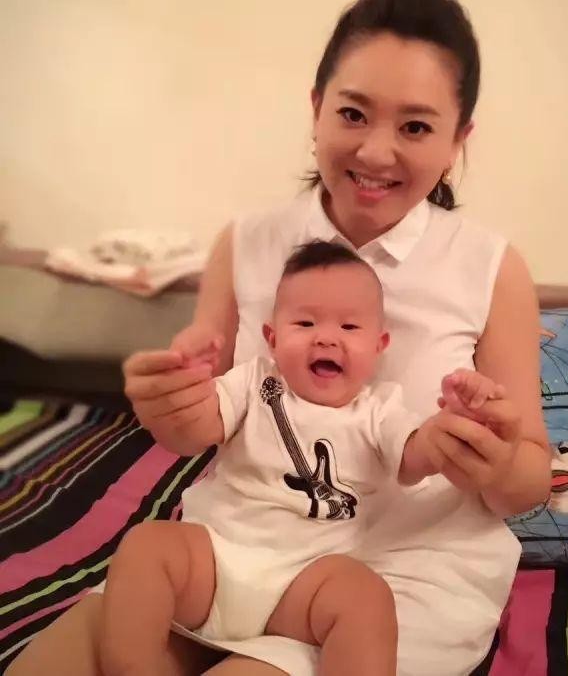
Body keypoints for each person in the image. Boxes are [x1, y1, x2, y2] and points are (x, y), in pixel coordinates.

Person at [7, 0, 550, 676]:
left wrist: (497, 463)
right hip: (237, 544)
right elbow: (203, 423)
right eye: (353, 113)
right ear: (316, 108)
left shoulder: (491, 267)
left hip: (401, 574)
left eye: (415, 127)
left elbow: (530, 478)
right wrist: (168, 405)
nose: (375, 151)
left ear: (457, 142)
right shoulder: (246, 241)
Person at [99, 240, 504, 676]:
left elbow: (414, 454)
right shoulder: (252, 382)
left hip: (302, 586)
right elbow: (201, 427)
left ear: (379, 345)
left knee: (366, 597)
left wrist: (448, 429)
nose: (326, 336)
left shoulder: (379, 409)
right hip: (214, 560)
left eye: (349, 326)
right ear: (272, 339)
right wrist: (183, 393)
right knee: (146, 545)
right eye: (305, 322)